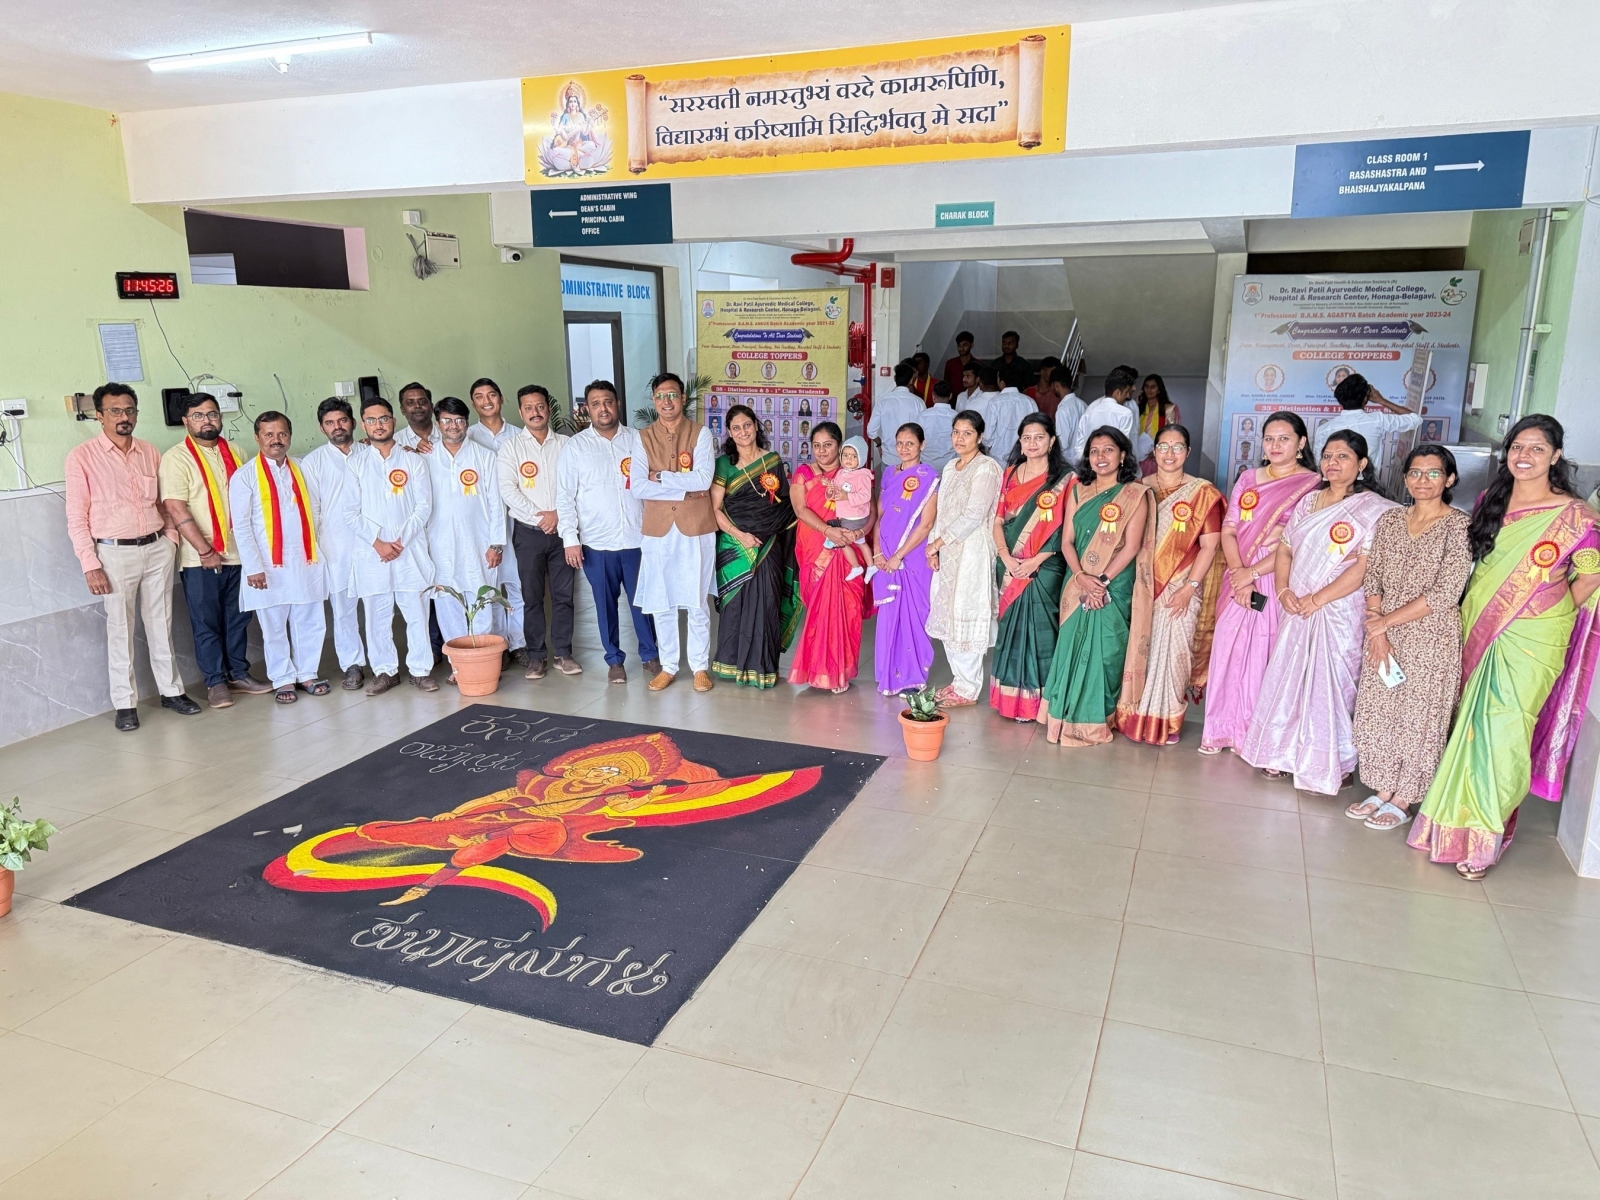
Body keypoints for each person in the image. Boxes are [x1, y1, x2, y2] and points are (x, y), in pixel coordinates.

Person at [1410, 415, 1600, 878]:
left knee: (1507, 733)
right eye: (1517, 447)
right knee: (1469, 728)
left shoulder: (1576, 516)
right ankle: (1450, 825)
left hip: (1534, 641)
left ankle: (1484, 835)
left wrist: (1544, 613)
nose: (1524, 456)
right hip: (1478, 624)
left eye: (1537, 448)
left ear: (1556, 455)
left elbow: (1590, 578)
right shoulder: (1489, 501)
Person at [1239, 431, 1398, 793]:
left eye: (1343, 457)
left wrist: (1319, 599)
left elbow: (1365, 567)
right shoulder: (1309, 501)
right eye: (1327, 456)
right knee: (1290, 675)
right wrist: (1283, 590)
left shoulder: (1374, 509)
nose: (1332, 463)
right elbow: (1285, 549)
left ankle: (1333, 763)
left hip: (1338, 609)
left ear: (1362, 464)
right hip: (1296, 603)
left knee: (1333, 683)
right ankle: (1281, 753)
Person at [1345, 446, 1472, 829]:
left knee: (1420, 717)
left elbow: (1446, 592)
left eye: (1434, 473)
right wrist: (1376, 626)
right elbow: (1373, 577)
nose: (1423, 480)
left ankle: (1405, 797)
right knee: (1379, 710)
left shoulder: (1459, 526)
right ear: (1405, 478)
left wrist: (1384, 623)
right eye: (1415, 472)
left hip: (1431, 637)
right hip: (1382, 630)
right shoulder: (1390, 520)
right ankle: (1383, 788)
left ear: (1449, 479)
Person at [64, 384, 201, 730]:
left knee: (161, 623)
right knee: (120, 629)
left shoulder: (149, 451)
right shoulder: (82, 457)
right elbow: (77, 518)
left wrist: (170, 540)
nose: (123, 417)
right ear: (99, 416)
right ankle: (125, 704)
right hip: (113, 554)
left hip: (156, 548)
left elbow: (162, 503)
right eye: (115, 411)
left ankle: (171, 691)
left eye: (129, 410)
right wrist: (90, 564)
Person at [1200, 412, 1321, 754]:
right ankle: (1218, 730)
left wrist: (1252, 574)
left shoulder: (1312, 485)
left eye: (1284, 438)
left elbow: (1295, 543)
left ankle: (1250, 737)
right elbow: (1229, 529)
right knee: (1227, 649)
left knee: (1261, 656)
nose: (1275, 445)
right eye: (1269, 438)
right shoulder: (1248, 478)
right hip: (1237, 576)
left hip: (1273, 577)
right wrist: (1239, 574)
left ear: (1301, 442)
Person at [1113, 425, 1225, 744]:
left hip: (1180, 587)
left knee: (1175, 655)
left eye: (1178, 447)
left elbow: (1210, 546)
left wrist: (1189, 587)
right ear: (1154, 451)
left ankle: (1167, 722)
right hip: (1142, 587)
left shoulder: (1202, 494)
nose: (1170, 453)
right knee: (1138, 651)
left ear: (1187, 452)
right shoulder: (1136, 488)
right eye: (1163, 446)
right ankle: (1133, 716)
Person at [1039, 427, 1151, 745]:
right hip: (1078, 582)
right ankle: (1062, 716)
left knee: (1106, 651)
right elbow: (1067, 541)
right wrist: (1080, 577)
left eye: (1108, 450)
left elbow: (1131, 547)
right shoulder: (1078, 491)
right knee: (1070, 647)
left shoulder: (1135, 494)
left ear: (1123, 455)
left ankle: (1094, 720)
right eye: (1094, 451)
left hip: (1113, 584)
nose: (1101, 457)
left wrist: (1101, 582)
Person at [159, 392, 268, 708]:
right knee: (207, 622)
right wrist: (205, 551)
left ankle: (238, 674)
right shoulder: (176, 458)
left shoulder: (236, 451)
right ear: (186, 421)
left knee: (238, 618)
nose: (206, 420)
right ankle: (215, 682)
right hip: (200, 558)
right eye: (198, 415)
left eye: (212, 414)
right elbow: (176, 508)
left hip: (239, 552)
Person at [555, 380, 660, 684]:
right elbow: (565, 497)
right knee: (604, 605)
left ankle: (650, 654)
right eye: (596, 403)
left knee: (644, 602)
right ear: (587, 409)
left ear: (617, 405)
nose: (603, 408)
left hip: (637, 539)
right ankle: (614, 659)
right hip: (597, 544)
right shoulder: (576, 447)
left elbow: (653, 484)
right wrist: (570, 539)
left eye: (608, 402)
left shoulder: (638, 440)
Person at [228, 412, 329, 704]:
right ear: (257, 438)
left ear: (290, 436)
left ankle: (307, 673)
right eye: (269, 434)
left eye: (282, 434)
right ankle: (283, 678)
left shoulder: (301, 468)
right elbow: (241, 525)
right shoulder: (245, 476)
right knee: (273, 625)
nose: (276, 440)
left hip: (305, 559)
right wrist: (253, 567)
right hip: (268, 565)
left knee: (310, 619)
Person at [344, 397, 437, 694]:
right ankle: (385, 671)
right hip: (373, 554)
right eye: (371, 420)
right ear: (363, 425)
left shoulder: (413, 460)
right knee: (377, 616)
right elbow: (349, 512)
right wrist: (377, 542)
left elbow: (424, 506)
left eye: (383, 418)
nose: (378, 425)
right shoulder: (356, 463)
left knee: (417, 613)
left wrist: (400, 541)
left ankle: (421, 670)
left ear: (393, 421)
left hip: (409, 551)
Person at [632, 372, 717, 692]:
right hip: (658, 531)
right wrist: (685, 487)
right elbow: (638, 486)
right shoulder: (642, 438)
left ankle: (699, 667)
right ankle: (668, 666)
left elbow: (704, 479)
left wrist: (661, 478)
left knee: (697, 601)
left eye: (672, 395)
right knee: (661, 600)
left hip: (696, 528)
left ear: (682, 398)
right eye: (660, 396)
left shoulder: (701, 433)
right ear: (654, 401)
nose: (666, 401)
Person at [709, 404, 800, 688]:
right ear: (729, 432)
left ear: (756, 426)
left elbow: (785, 507)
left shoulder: (772, 460)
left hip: (770, 544)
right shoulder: (723, 465)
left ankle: (763, 668)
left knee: (768, 601)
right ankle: (731, 665)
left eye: (747, 425)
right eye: (736, 428)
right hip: (736, 545)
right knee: (737, 605)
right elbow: (714, 509)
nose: (743, 432)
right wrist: (740, 535)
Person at [989, 413, 1072, 721]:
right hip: (1009, 563)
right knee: (1010, 630)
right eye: (1027, 438)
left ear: (1052, 441)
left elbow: (1069, 527)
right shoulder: (1010, 473)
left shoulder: (1066, 479)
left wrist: (1037, 559)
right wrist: (1005, 556)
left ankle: (1040, 704)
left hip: (1045, 566)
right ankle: (1010, 700)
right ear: (1020, 442)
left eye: (1039, 437)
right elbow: (997, 520)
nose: (1033, 443)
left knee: (1041, 631)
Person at [496, 385, 578, 679]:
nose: (535, 412)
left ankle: (563, 653)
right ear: (521, 412)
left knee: (563, 595)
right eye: (529, 408)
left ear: (548, 408)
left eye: (540, 406)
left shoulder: (567, 444)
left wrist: (558, 516)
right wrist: (540, 517)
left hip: (563, 532)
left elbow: (576, 485)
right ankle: (536, 656)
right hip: (529, 533)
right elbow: (508, 489)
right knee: (531, 597)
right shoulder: (511, 447)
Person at [427, 397, 510, 680]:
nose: (453, 426)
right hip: (439, 545)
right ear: (438, 424)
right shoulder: (425, 457)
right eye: (447, 420)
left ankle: (484, 662)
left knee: (482, 600)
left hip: (479, 543)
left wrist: (496, 543)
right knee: (447, 602)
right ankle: (459, 666)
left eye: (459, 420)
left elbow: (496, 503)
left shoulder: (484, 456)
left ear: (467, 423)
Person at [926, 410, 1003, 705]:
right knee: (947, 614)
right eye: (956, 432)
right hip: (947, 549)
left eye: (967, 433)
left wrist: (939, 542)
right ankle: (958, 681)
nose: (960, 438)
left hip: (972, 551)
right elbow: (942, 511)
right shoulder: (950, 466)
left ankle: (969, 688)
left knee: (965, 612)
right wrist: (934, 545)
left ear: (980, 437)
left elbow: (974, 514)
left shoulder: (986, 468)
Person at [789, 422, 872, 693]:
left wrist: (858, 532)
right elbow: (800, 510)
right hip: (816, 547)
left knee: (846, 612)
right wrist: (828, 531)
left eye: (828, 444)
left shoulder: (855, 473)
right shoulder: (803, 474)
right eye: (816, 445)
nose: (822, 451)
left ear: (839, 445)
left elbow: (871, 510)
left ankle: (840, 672)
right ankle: (818, 671)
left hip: (849, 550)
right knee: (819, 613)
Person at [302, 399, 375, 690]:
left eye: (342, 420)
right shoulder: (314, 462)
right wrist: (316, 550)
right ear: (322, 428)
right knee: (343, 609)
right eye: (330, 423)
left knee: (377, 605)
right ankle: (352, 665)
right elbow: (313, 511)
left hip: (373, 543)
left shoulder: (371, 453)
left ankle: (384, 663)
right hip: (335, 546)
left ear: (354, 423)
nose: (337, 427)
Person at [872, 423, 940, 695]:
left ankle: (912, 677)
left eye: (910, 443)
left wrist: (899, 556)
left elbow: (926, 524)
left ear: (922, 445)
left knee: (914, 614)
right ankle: (889, 673)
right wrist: (877, 550)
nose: (904, 448)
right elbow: (879, 515)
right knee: (890, 615)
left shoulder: (930, 477)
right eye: (899, 443)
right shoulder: (889, 473)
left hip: (912, 558)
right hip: (885, 553)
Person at [465, 377, 528, 666]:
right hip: (484, 524)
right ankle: (497, 644)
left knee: (516, 584)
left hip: (517, 520)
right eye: (479, 396)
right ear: (473, 403)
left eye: (491, 395)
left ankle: (518, 643)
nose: (486, 401)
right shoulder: (467, 437)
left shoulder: (518, 435)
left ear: (501, 399)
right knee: (489, 587)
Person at [1312, 372, 1423, 476]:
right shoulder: (1377, 420)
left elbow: (1318, 464)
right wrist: (1381, 400)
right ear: (1366, 398)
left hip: (1335, 484)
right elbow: (1415, 419)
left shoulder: (1324, 429)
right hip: (1368, 485)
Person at [819, 437, 877, 582]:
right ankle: (869, 566)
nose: (848, 459)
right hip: (846, 516)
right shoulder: (841, 473)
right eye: (845, 455)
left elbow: (865, 496)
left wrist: (847, 496)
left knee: (842, 541)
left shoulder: (862, 475)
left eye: (853, 456)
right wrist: (830, 488)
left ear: (861, 458)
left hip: (855, 517)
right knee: (860, 542)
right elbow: (835, 492)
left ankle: (857, 566)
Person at [1069, 366, 1141, 463]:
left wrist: (1089, 464)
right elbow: (1124, 446)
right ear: (1118, 392)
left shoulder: (1090, 411)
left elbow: (1079, 448)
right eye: (1126, 393)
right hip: (1113, 466)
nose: (1127, 396)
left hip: (1092, 465)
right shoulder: (1124, 413)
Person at [867, 361, 924, 464]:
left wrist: (879, 444)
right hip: (911, 459)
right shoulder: (918, 402)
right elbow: (925, 431)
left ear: (894, 378)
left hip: (889, 458)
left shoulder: (883, 401)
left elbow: (871, 431)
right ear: (911, 380)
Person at [984, 375, 1039, 462]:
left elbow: (988, 435)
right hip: (1024, 456)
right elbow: (1037, 428)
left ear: (1002, 383)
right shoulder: (1030, 402)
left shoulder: (995, 402)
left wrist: (988, 447)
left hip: (998, 457)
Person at [1135, 374, 1180, 471]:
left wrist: (1159, 449)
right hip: (1138, 457)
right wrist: (1135, 405)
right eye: (1146, 386)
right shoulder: (1139, 408)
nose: (1149, 390)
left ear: (1159, 389)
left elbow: (1173, 434)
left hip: (1157, 456)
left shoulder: (1168, 409)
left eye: (1153, 387)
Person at [921, 382, 957, 472]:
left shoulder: (923, 415)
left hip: (926, 465)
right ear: (950, 396)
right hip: (950, 466)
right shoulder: (957, 417)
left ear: (933, 396)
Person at [1050, 365, 1087, 451]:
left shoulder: (1062, 411)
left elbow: (1062, 444)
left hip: (1068, 458)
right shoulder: (1083, 404)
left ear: (1056, 385)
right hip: (1083, 456)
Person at [393, 381, 437, 452]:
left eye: (422, 402)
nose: (417, 406)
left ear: (431, 407)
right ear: (402, 410)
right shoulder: (395, 442)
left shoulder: (449, 434)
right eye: (410, 403)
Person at [943, 331, 983, 395]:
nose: (961, 348)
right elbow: (946, 385)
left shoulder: (978, 364)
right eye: (959, 345)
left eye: (965, 345)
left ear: (971, 345)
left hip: (975, 398)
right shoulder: (950, 364)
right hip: (953, 399)